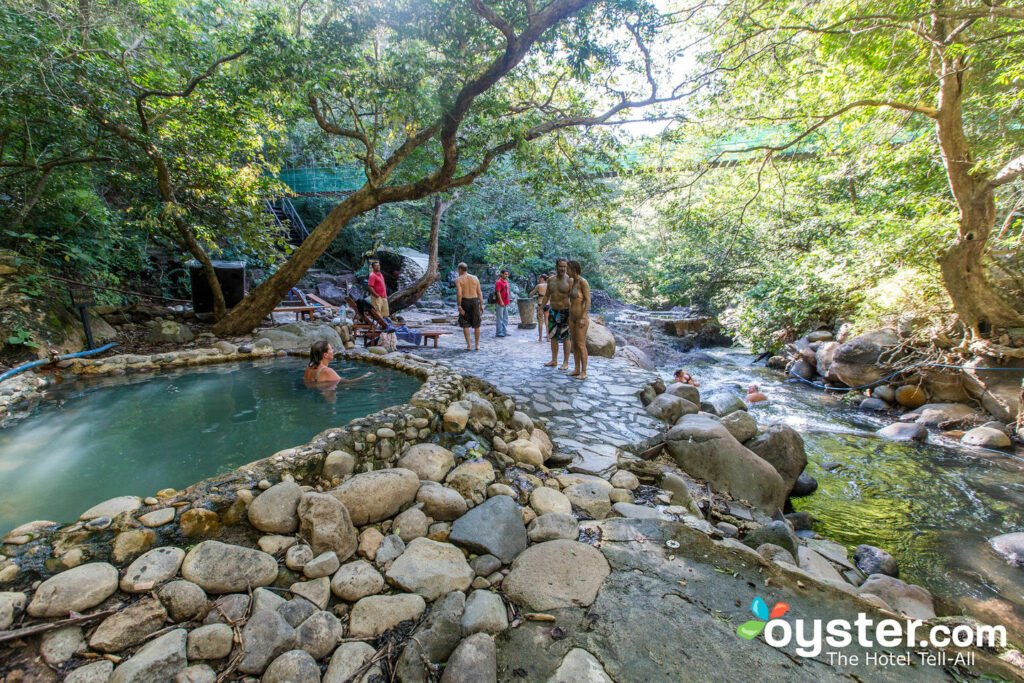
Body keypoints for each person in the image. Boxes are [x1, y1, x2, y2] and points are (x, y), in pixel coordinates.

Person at [544, 258, 573, 369]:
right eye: (561, 266)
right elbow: (547, 295)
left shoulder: (569, 280)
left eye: (565, 266)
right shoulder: (551, 280)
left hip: (565, 312)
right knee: (553, 337)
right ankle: (554, 360)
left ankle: (565, 362)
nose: (563, 269)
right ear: (556, 266)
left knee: (566, 338)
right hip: (553, 311)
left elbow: (573, 297)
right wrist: (541, 308)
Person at [302, 341, 372, 384]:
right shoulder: (328, 371)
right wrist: (366, 376)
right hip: (325, 396)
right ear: (325, 355)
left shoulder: (309, 368)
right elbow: (348, 383)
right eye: (331, 349)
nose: (333, 350)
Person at [567, 260, 591, 380]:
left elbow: (588, 300)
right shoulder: (573, 281)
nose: (567, 271)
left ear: (573, 269)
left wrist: (583, 316)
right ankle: (576, 369)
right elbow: (571, 300)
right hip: (572, 317)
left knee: (581, 344)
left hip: (581, 318)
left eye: (568, 268)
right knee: (574, 344)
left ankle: (584, 371)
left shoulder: (583, 282)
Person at [455, 262, 483, 350]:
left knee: (465, 324)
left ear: (460, 269)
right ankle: (477, 345)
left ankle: (469, 346)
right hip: (475, 301)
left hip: (465, 301)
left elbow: (459, 294)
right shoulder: (475, 278)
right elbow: (479, 293)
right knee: (476, 324)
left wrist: (459, 305)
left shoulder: (459, 280)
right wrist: (481, 305)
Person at [529, 274, 549, 342]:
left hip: (540, 305)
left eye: (540, 278)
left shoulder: (539, 286)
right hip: (548, 305)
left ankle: (540, 338)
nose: (539, 279)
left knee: (540, 322)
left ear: (542, 278)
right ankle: (548, 338)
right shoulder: (549, 285)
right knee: (547, 321)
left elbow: (531, 294)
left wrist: (536, 295)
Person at [494, 269, 511, 338]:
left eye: (507, 274)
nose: (506, 275)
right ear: (501, 274)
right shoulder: (498, 282)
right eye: (505, 274)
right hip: (500, 302)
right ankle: (499, 332)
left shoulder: (506, 281)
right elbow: (498, 292)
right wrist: (501, 301)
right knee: (500, 317)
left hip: (506, 302)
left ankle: (504, 331)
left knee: (505, 317)